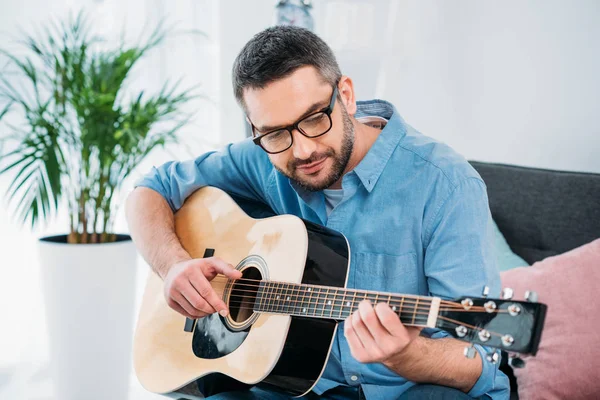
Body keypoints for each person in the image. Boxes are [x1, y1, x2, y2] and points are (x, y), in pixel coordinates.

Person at [126, 26, 509, 400]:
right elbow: (148, 191)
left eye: (314, 119)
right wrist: (173, 265)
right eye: (276, 134)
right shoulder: (262, 157)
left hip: (408, 389)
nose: (302, 150)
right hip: (295, 384)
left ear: (346, 94)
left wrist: (404, 355)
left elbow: (478, 361)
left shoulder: (446, 184)